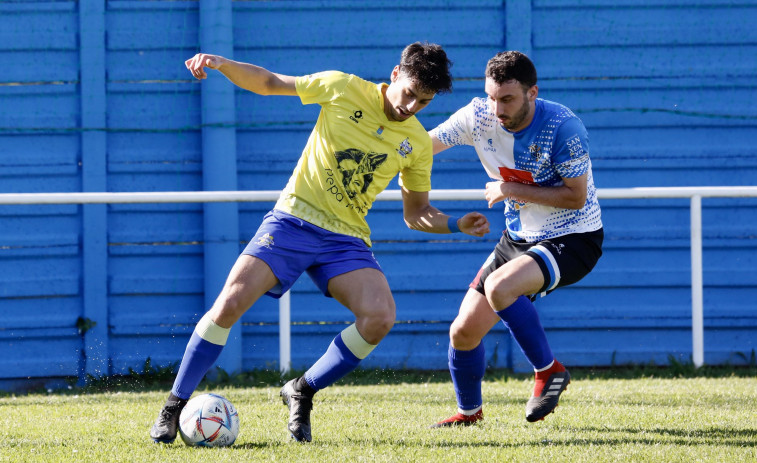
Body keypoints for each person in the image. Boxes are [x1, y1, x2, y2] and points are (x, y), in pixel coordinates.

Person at [149, 42, 491, 444]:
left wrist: (455, 224)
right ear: (395, 75)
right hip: (294, 220)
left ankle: (302, 390)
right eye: (410, 92)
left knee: (379, 317)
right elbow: (271, 82)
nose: (412, 106)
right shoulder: (343, 87)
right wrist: (223, 64)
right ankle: (172, 406)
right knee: (228, 304)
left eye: (424, 101)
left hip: (345, 239)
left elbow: (416, 212)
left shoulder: (415, 143)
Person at [428, 51, 603, 427]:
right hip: (519, 237)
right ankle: (469, 414)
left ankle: (548, 371)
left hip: (574, 236)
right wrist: (379, 152)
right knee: (462, 331)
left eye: (506, 99)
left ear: (532, 93)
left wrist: (507, 188)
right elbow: (422, 146)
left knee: (500, 287)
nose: (497, 108)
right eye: (491, 97)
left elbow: (575, 196)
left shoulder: (563, 127)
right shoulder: (478, 115)